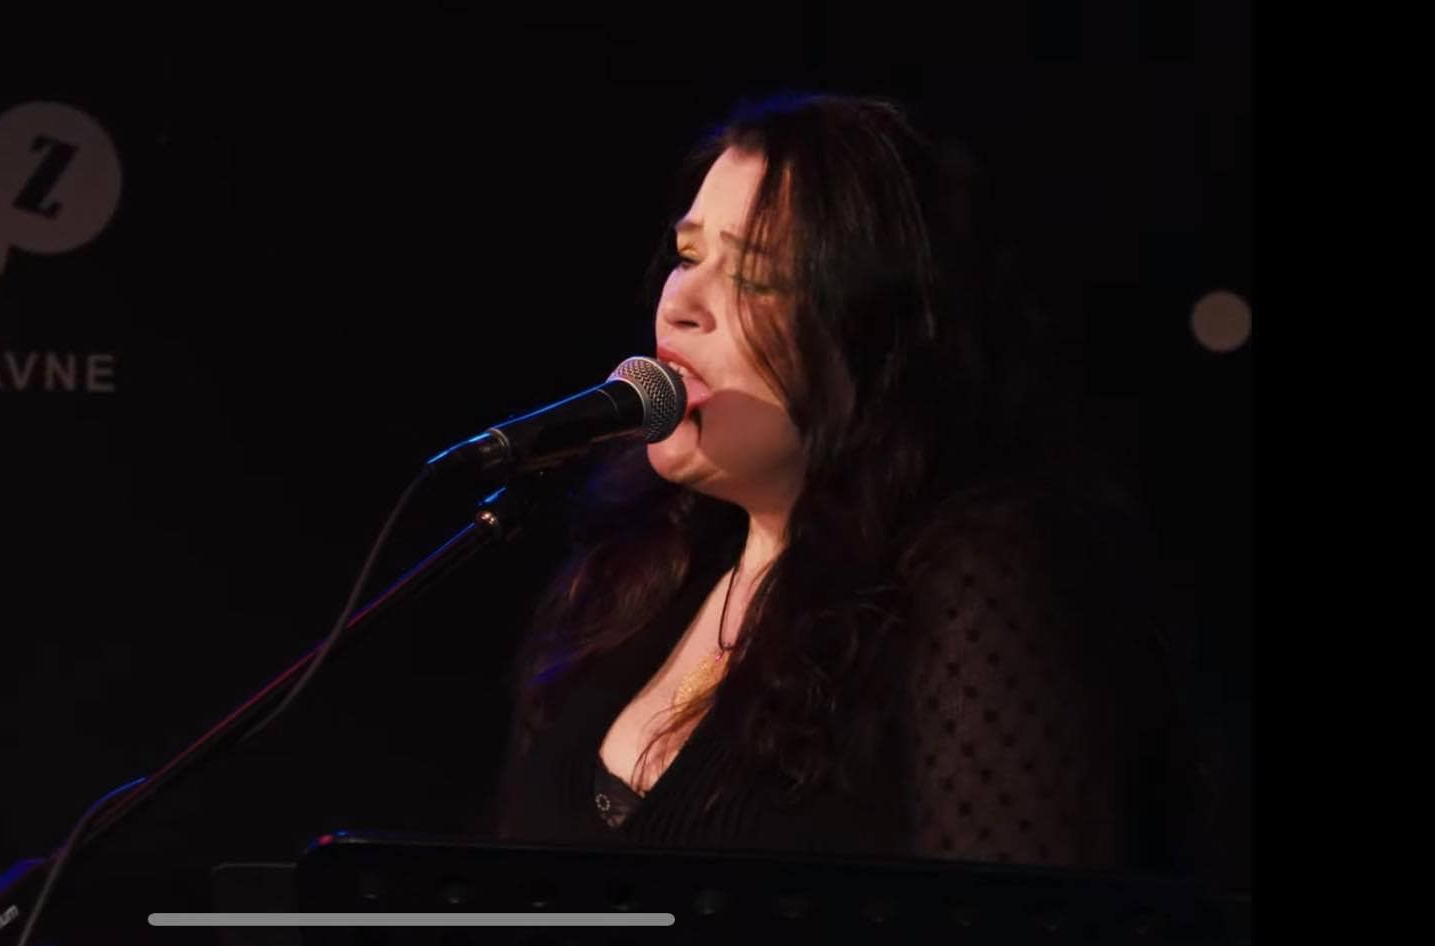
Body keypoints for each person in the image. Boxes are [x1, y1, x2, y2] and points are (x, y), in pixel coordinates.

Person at [492, 93, 1187, 870]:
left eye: (755, 277)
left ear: (874, 338)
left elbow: (1017, 907)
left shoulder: (976, 579)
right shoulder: (627, 574)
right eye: (688, 256)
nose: (681, 304)